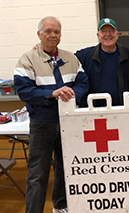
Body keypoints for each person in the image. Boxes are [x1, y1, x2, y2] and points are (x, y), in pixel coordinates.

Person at [14, 16, 89, 213]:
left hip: (68, 122)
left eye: (56, 31)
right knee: (38, 173)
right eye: (48, 31)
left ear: (61, 35)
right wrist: (51, 93)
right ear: (39, 34)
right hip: (42, 123)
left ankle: (61, 205)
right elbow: (24, 91)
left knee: (65, 168)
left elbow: (83, 83)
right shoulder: (27, 60)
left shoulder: (71, 58)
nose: (53, 35)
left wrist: (72, 94)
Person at [75, 18, 129, 107]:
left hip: (122, 109)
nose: (108, 34)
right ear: (98, 35)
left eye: (111, 31)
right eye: (104, 31)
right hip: (95, 110)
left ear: (117, 35)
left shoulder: (127, 55)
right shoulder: (85, 56)